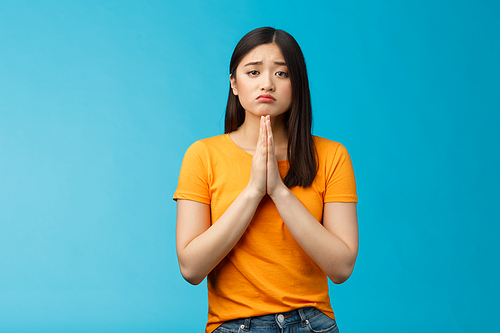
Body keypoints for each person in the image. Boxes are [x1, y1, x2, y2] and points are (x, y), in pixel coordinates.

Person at [173, 27, 358, 333]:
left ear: (297, 84)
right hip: (234, 326)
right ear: (234, 83)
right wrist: (254, 191)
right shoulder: (202, 155)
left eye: (282, 74)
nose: (267, 84)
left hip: (311, 324)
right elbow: (191, 268)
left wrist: (278, 191)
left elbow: (341, 268)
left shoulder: (332, 155)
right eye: (254, 71)